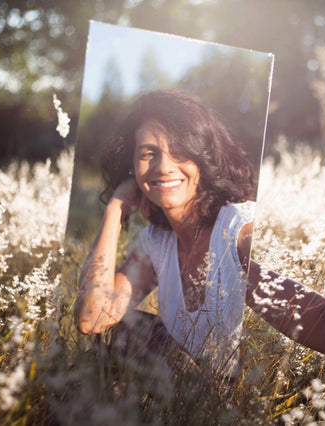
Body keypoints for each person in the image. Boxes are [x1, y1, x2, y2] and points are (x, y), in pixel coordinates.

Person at [74, 90, 256, 378]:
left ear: (204, 157)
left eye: (180, 150)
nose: (164, 167)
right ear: (131, 167)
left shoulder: (240, 227)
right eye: (148, 153)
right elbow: (92, 318)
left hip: (242, 404)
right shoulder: (157, 242)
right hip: (187, 399)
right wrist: (115, 208)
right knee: (120, 333)